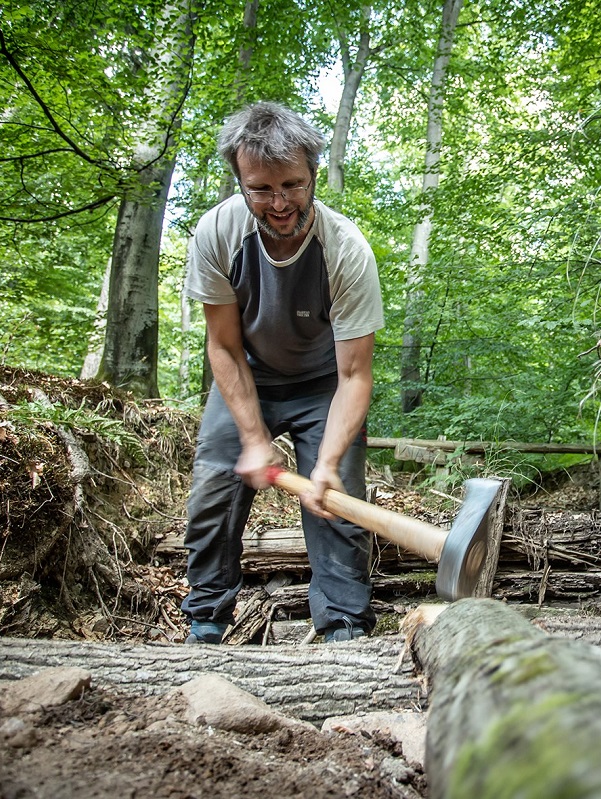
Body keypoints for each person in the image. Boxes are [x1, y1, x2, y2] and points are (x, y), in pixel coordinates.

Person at [180, 101, 384, 645]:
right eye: (261, 189)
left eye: (292, 185)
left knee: (337, 503)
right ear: (240, 183)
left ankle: (344, 631)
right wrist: (251, 438)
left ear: (314, 173)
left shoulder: (346, 251)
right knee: (214, 491)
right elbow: (221, 345)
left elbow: (356, 374)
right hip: (247, 376)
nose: (279, 203)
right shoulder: (216, 233)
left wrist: (331, 462)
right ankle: (205, 622)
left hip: (326, 385)